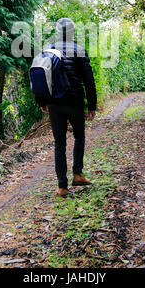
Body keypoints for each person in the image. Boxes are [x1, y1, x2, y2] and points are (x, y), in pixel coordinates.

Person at [36, 18, 97, 197]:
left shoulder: (48, 51)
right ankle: (77, 174)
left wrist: (42, 102)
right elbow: (88, 80)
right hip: (75, 101)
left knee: (59, 143)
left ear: (57, 32)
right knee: (79, 136)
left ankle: (62, 186)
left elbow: (41, 77)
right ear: (71, 32)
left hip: (55, 103)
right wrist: (92, 105)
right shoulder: (79, 50)